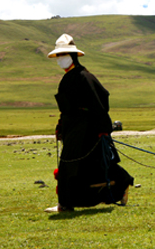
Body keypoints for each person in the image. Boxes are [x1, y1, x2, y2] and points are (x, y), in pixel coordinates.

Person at [45, 34, 134, 213]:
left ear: (73, 56)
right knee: (87, 167)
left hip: (87, 131)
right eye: (59, 56)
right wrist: (61, 125)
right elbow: (67, 109)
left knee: (76, 166)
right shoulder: (68, 78)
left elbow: (99, 104)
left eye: (64, 55)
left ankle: (66, 204)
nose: (60, 59)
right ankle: (119, 185)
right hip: (73, 131)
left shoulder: (85, 77)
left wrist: (102, 129)